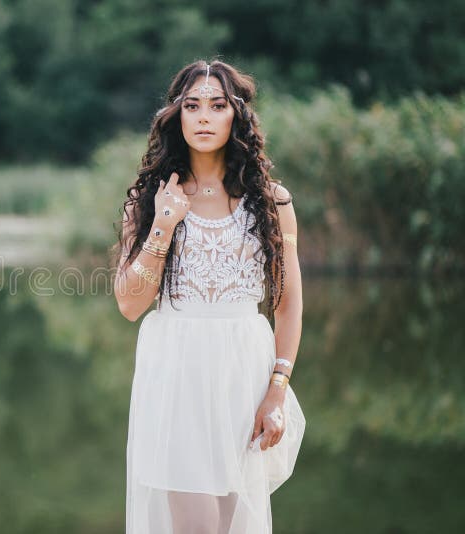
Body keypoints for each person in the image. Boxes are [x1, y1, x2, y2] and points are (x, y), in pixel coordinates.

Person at [112, 59, 307, 533]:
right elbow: (129, 304)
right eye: (192, 106)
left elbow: (287, 305)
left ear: (234, 116)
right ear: (176, 116)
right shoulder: (150, 199)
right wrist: (163, 224)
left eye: (216, 106)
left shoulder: (271, 202)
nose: (203, 117)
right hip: (177, 374)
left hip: (245, 375)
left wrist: (276, 392)